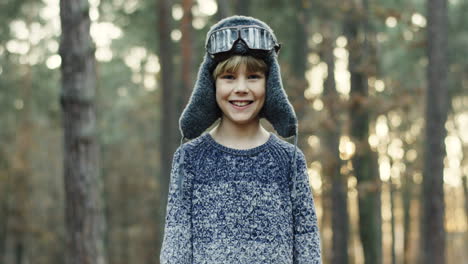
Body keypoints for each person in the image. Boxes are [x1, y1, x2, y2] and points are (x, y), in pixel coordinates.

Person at [160, 15, 322, 264]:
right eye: (229, 77)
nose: (241, 88)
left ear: (271, 85)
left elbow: (307, 242)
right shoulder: (189, 159)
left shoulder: (289, 160)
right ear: (211, 85)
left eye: (254, 77)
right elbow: (176, 244)